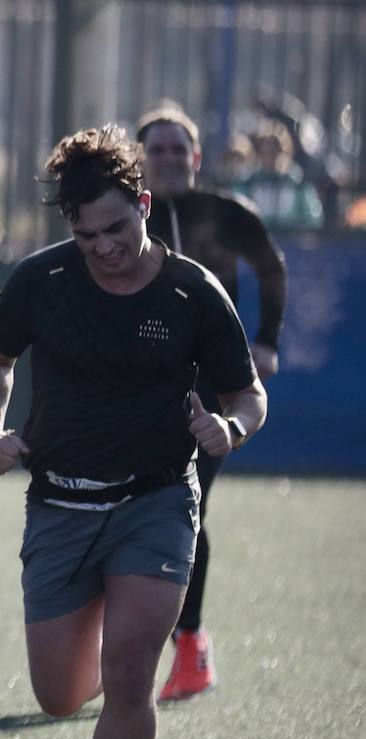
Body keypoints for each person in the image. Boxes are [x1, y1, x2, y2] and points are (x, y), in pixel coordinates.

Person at [0, 125, 266, 739]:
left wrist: (227, 429)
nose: (105, 248)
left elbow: (247, 394)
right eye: (86, 233)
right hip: (61, 503)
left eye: (118, 228)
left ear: (142, 204)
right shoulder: (43, 279)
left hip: (157, 499)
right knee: (60, 695)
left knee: (131, 673)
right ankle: (100, 640)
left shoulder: (193, 291)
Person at [137, 106, 287, 702]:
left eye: (180, 150)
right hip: (139, 389)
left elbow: (271, 271)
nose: (170, 159)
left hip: (211, 389)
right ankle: (121, 639)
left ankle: (191, 643)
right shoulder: (123, 218)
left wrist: (267, 341)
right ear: (139, 158)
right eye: (159, 150)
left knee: (187, 503)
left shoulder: (226, 214)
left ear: (196, 159)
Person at [231, 121, 323, 231]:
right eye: (264, 152)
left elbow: (313, 219)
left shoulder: (297, 184)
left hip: (292, 244)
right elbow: (235, 215)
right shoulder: (248, 183)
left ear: (283, 152)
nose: (269, 158)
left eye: (274, 151)